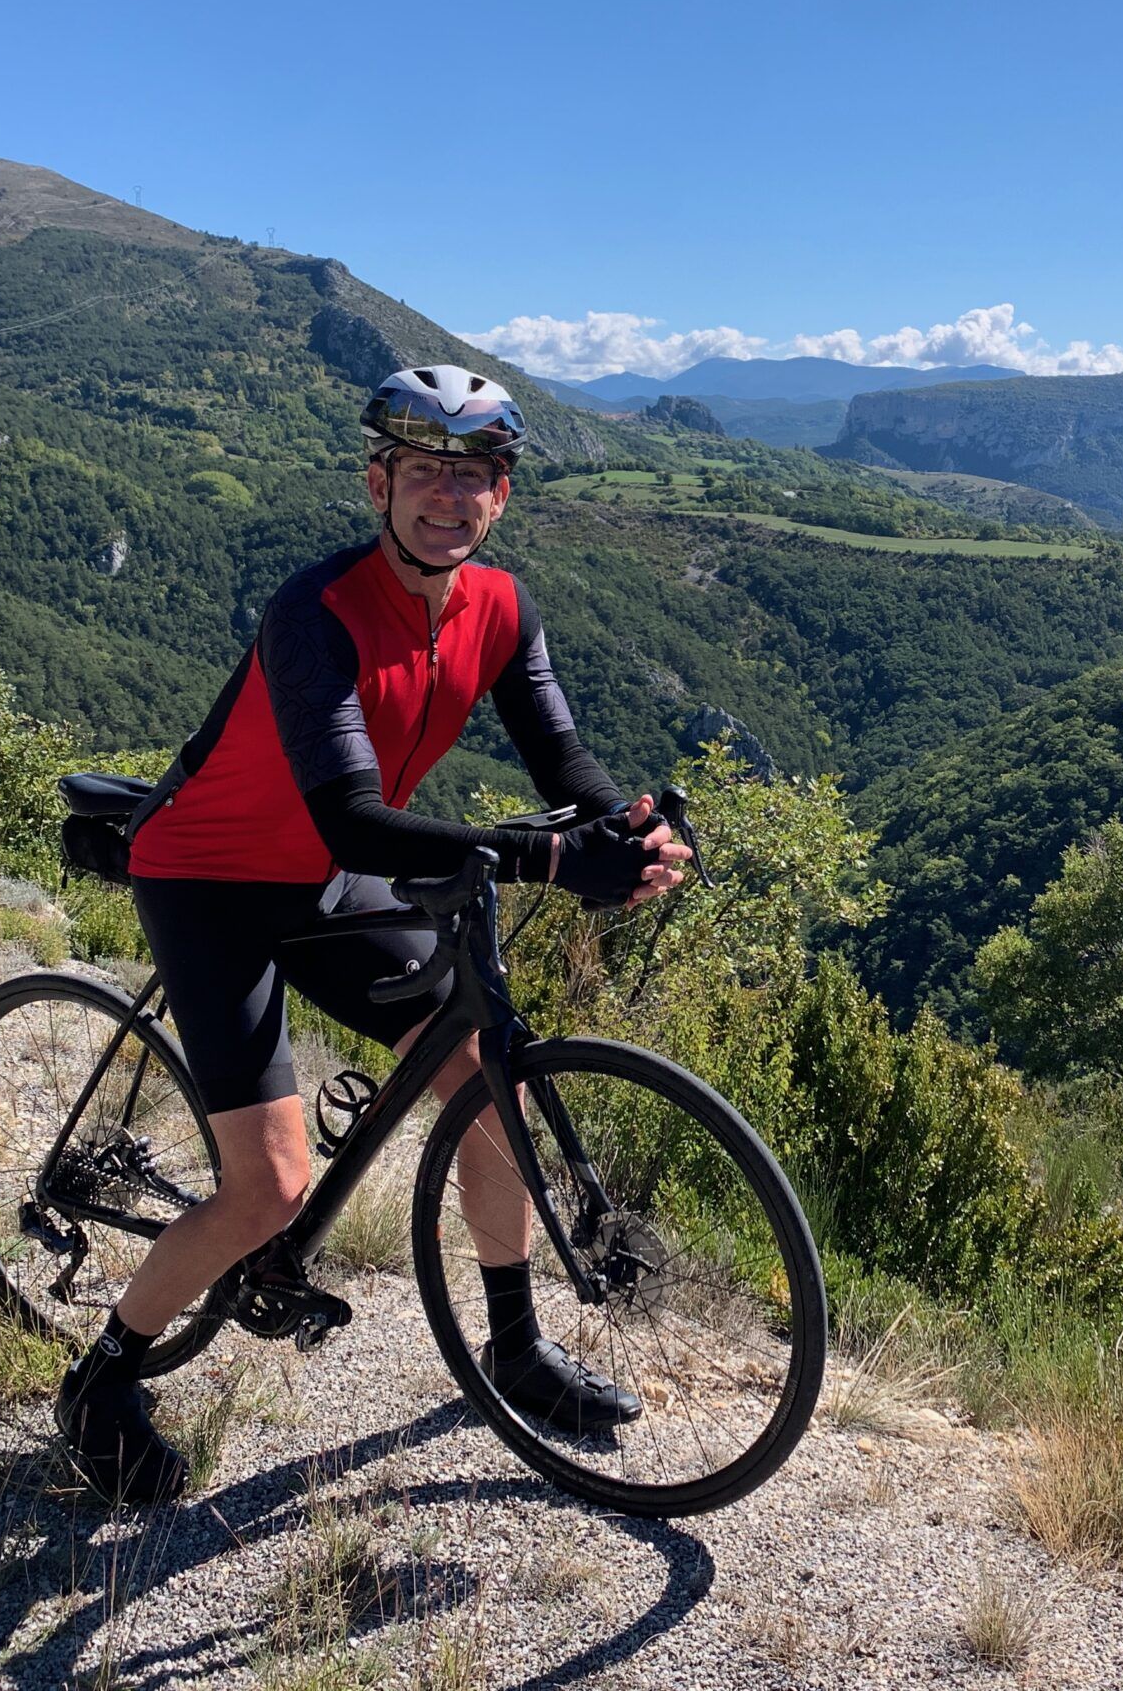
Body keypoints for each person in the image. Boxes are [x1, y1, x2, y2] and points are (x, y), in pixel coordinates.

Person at [54, 364, 692, 1506]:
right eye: (426, 472)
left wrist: (623, 830)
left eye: (476, 476)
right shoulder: (316, 611)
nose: (450, 496)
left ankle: (512, 1345)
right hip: (211, 879)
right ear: (379, 483)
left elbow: (560, 758)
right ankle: (102, 1381)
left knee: (483, 1086)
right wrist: (548, 858)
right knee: (271, 1191)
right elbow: (349, 810)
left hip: (336, 880)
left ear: (501, 495)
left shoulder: (501, 606)